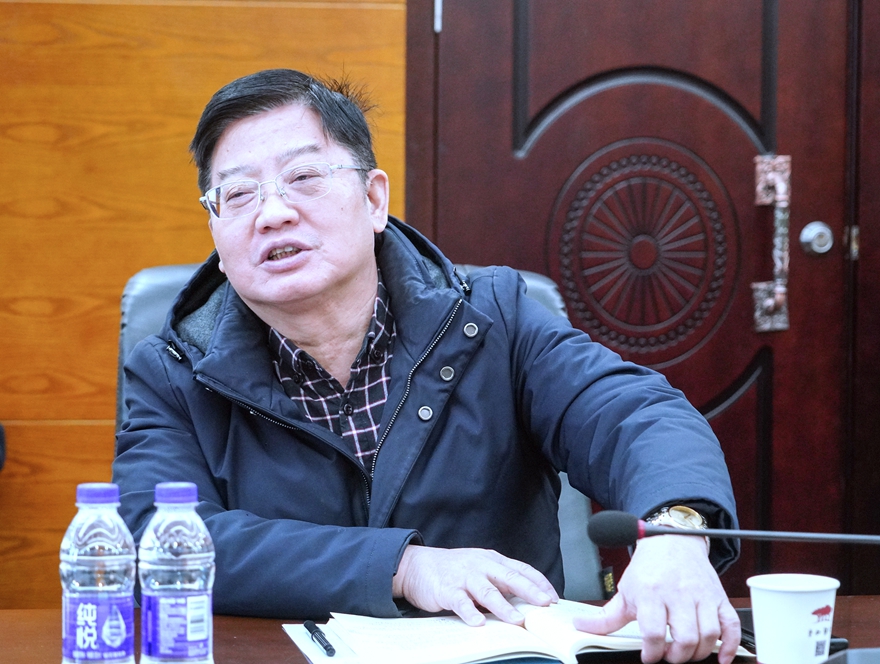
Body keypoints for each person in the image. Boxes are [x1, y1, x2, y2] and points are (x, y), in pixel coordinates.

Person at [112, 68, 741, 664]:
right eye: (238, 194)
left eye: (303, 177)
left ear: (373, 198)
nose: (272, 212)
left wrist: (676, 529)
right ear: (217, 233)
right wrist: (401, 567)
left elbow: (634, 414)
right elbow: (154, 537)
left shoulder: (492, 320)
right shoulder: (173, 372)